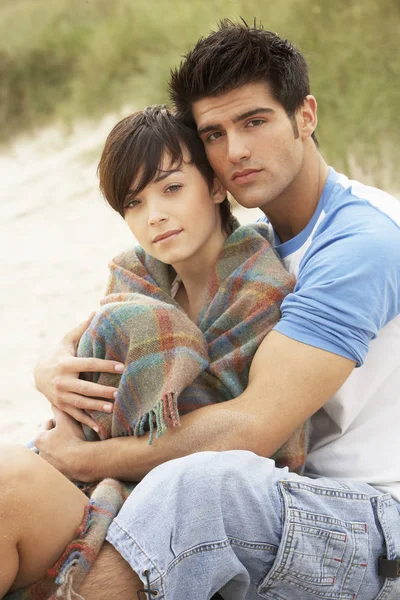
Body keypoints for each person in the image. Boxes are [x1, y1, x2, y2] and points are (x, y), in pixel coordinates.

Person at [32, 20, 400, 600]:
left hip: (374, 521)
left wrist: (86, 459)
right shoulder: (258, 242)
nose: (237, 151)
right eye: (214, 133)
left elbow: (250, 428)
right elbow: (109, 319)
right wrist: (50, 366)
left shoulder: (360, 244)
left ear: (305, 116)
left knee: (199, 489)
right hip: (288, 497)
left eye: (254, 121)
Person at [1, 106, 297, 599]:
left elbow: (233, 436)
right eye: (134, 202)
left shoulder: (259, 290)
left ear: (217, 185)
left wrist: (81, 455)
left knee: (8, 486)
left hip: (185, 514)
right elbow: (85, 365)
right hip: (88, 477)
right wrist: (50, 366)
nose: (154, 215)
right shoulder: (137, 277)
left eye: (172, 188)